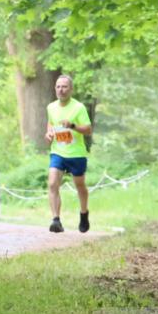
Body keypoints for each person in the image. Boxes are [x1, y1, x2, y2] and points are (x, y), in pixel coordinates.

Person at [44, 75, 92, 233]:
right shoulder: (51, 107)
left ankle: (84, 213)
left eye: (64, 87)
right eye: (58, 86)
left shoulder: (78, 108)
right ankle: (56, 220)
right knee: (52, 183)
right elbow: (50, 124)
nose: (61, 90)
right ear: (55, 89)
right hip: (58, 152)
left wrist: (72, 125)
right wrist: (49, 135)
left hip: (76, 154)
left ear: (71, 89)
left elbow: (88, 130)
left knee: (80, 186)